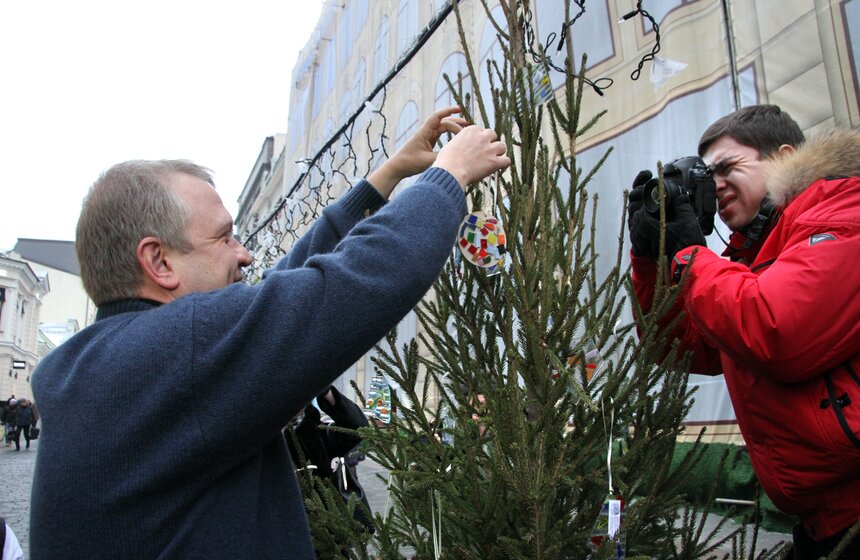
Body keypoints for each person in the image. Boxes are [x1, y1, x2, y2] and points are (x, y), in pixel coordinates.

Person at [28, 106, 510, 559]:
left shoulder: (110, 362)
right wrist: (449, 176)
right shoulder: (181, 348)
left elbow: (281, 290)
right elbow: (348, 286)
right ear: (158, 261)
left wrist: (384, 179)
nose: (244, 254)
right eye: (224, 237)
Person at [627, 105, 860, 558]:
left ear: (784, 156)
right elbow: (683, 348)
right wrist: (651, 257)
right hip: (821, 522)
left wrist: (692, 255)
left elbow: (775, 330)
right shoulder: (751, 255)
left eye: (727, 168)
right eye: (704, 175)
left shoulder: (841, 213)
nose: (714, 186)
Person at [285, 385, 373, 539]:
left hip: (330, 535)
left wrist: (325, 390)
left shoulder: (320, 432)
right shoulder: (264, 442)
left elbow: (357, 427)